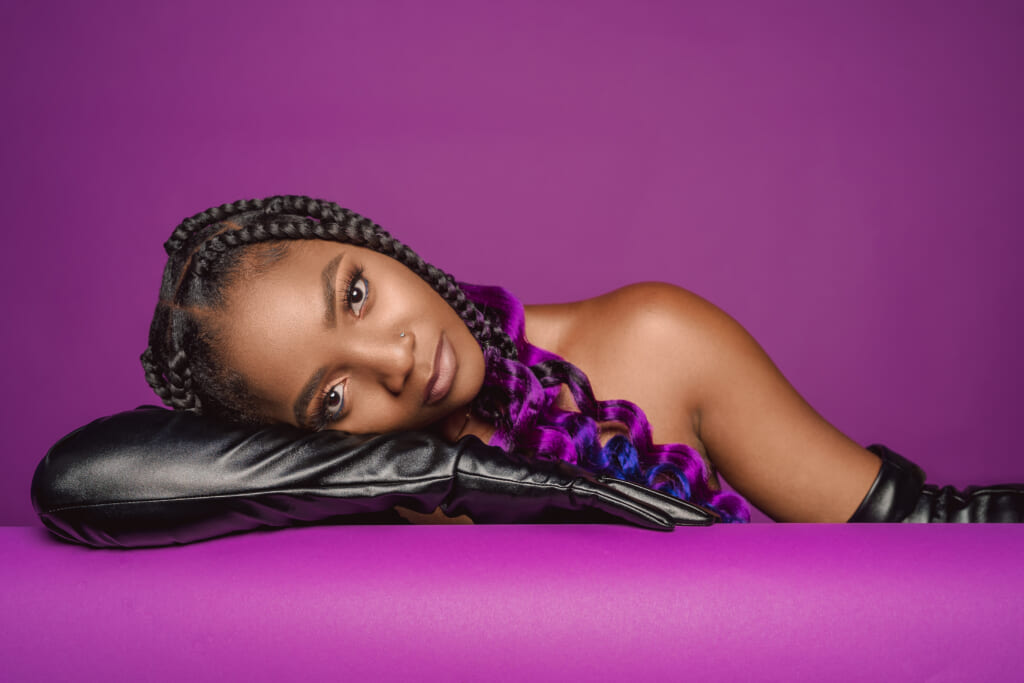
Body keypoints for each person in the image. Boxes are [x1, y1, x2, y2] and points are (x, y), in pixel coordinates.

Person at [30, 195, 1024, 549]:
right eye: (330, 394)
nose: (392, 360)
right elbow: (75, 482)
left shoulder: (653, 336)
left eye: (356, 294)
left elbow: (925, 533)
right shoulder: (360, 489)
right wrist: (437, 471)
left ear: (368, 241)